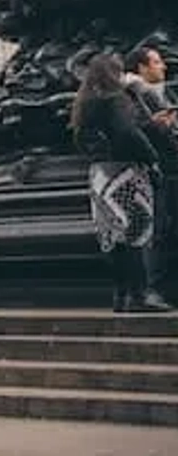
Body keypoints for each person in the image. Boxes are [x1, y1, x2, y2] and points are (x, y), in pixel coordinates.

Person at [72, 52, 170, 313]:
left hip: (101, 174)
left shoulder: (85, 102)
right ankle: (141, 294)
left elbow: (81, 138)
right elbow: (127, 133)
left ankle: (122, 294)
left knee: (114, 235)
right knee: (137, 232)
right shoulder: (116, 98)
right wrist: (151, 158)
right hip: (126, 172)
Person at [123, 44, 178, 309]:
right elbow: (138, 131)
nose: (163, 66)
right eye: (156, 62)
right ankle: (153, 289)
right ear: (142, 68)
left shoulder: (154, 92)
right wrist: (161, 127)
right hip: (155, 171)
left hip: (166, 170)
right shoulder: (134, 93)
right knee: (157, 231)